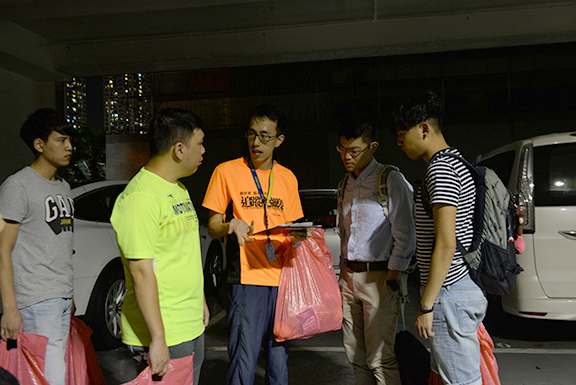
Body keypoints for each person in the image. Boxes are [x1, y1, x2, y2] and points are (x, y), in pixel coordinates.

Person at [202, 103, 306, 385]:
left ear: (279, 140)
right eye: (251, 134)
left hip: (282, 279)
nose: (256, 143)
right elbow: (212, 227)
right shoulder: (226, 172)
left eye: (264, 136)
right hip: (245, 278)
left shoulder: (287, 178)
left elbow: (295, 229)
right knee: (243, 361)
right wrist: (229, 225)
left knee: (279, 360)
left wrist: (300, 237)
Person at [393, 91, 487, 385]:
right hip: (458, 289)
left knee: (460, 381)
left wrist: (427, 305)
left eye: (401, 134)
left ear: (424, 128)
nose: (398, 142)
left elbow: (446, 244)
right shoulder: (458, 162)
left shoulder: (441, 169)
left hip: (449, 294)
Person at [110, 108, 209, 384]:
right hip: (164, 330)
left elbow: (181, 255)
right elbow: (141, 272)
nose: (203, 151)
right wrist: (157, 338)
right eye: (199, 144)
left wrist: (199, 300)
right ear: (179, 149)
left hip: (188, 323)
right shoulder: (141, 197)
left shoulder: (178, 188)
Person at [336, 119, 415, 385]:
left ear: (373, 147)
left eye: (354, 150)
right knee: (355, 354)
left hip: (380, 278)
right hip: (348, 278)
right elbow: (344, 234)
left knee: (381, 357)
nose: (347, 156)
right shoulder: (343, 185)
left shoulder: (390, 180)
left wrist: (393, 277)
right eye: (342, 149)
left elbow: (406, 235)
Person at [0, 108, 74, 385]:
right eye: (61, 140)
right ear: (39, 145)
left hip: (61, 297)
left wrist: (69, 293)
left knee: (55, 374)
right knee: (47, 378)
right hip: (35, 300)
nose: (69, 147)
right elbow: (2, 250)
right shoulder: (17, 186)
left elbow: (58, 245)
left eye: (69, 140)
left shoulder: (64, 187)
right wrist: (10, 309)